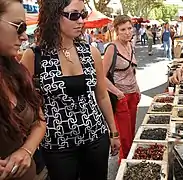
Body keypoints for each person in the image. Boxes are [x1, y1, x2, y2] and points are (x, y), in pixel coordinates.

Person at [20, 0, 120, 179]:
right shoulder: (34, 56)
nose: (81, 21)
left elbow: (102, 95)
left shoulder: (91, 52)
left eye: (83, 15)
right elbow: (24, 102)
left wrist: (113, 132)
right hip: (57, 145)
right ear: (53, 16)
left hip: (95, 137)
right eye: (74, 15)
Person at [0, 0, 46, 180]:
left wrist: (26, 150)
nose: (25, 36)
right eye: (19, 26)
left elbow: (40, 121)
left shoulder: (17, 71)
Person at [103, 15, 140, 162]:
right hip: (121, 97)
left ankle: (129, 163)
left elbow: (132, 70)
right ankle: (124, 164)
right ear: (117, 31)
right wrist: (118, 93)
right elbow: (101, 76)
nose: (127, 32)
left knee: (131, 132)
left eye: (129, 28)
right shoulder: (112, 48)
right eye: (123, 29)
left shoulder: (130, 45)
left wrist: (137, 88)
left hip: (133, 95)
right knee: (124, 136)